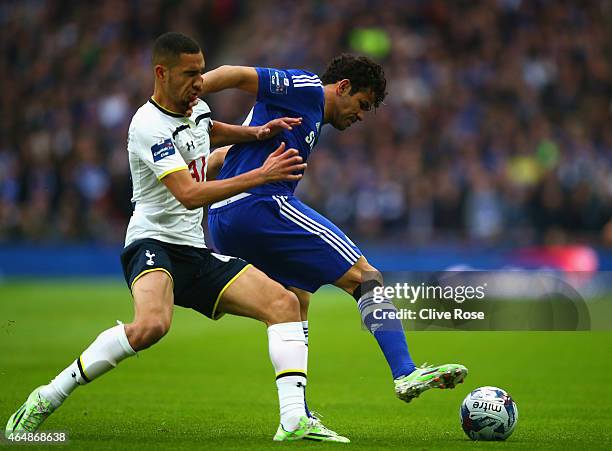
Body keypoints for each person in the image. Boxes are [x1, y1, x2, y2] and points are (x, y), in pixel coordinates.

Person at [5, 32, 349, 443]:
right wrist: (259, 175)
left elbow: (208, 130)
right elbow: (188, 195)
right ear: (161, 74)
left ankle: (294, 422)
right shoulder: (147, 126)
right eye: (190, 74)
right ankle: (47, 396)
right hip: (152, 244)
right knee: (152, 325)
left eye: (202, 72)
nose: (199, 83)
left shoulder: (197, 107)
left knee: (285, 303)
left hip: (194, 251)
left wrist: (256, 133)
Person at [204, 55, 468, 413]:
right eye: (361, 105)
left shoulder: (300, 117)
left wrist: (196, 175)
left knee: (296, 300)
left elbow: (224, 155)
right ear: (342, 87)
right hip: (259, 205)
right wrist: (189, 93)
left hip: (223, 217)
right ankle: (405, 372)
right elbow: (234, 74)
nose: (361, 116)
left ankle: (297, 413)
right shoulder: (306, 88)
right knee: (366, 277)